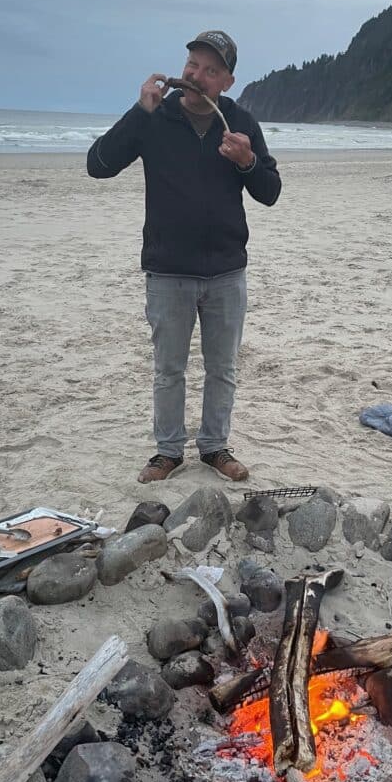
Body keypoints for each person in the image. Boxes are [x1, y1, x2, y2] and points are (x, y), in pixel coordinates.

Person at [86, 31, 282, 483]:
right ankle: (168, 451)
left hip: (226, 271)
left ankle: (215, 447)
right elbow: (98, 164)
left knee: (223, 369)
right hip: (168, 269)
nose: (197, 76)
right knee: (168, 370)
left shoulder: (240, 122)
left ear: (227, 82)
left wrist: (248, 162)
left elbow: (269, 193)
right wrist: (139, 112)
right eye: (193, 65)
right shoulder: (153, 118)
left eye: (211, 70)